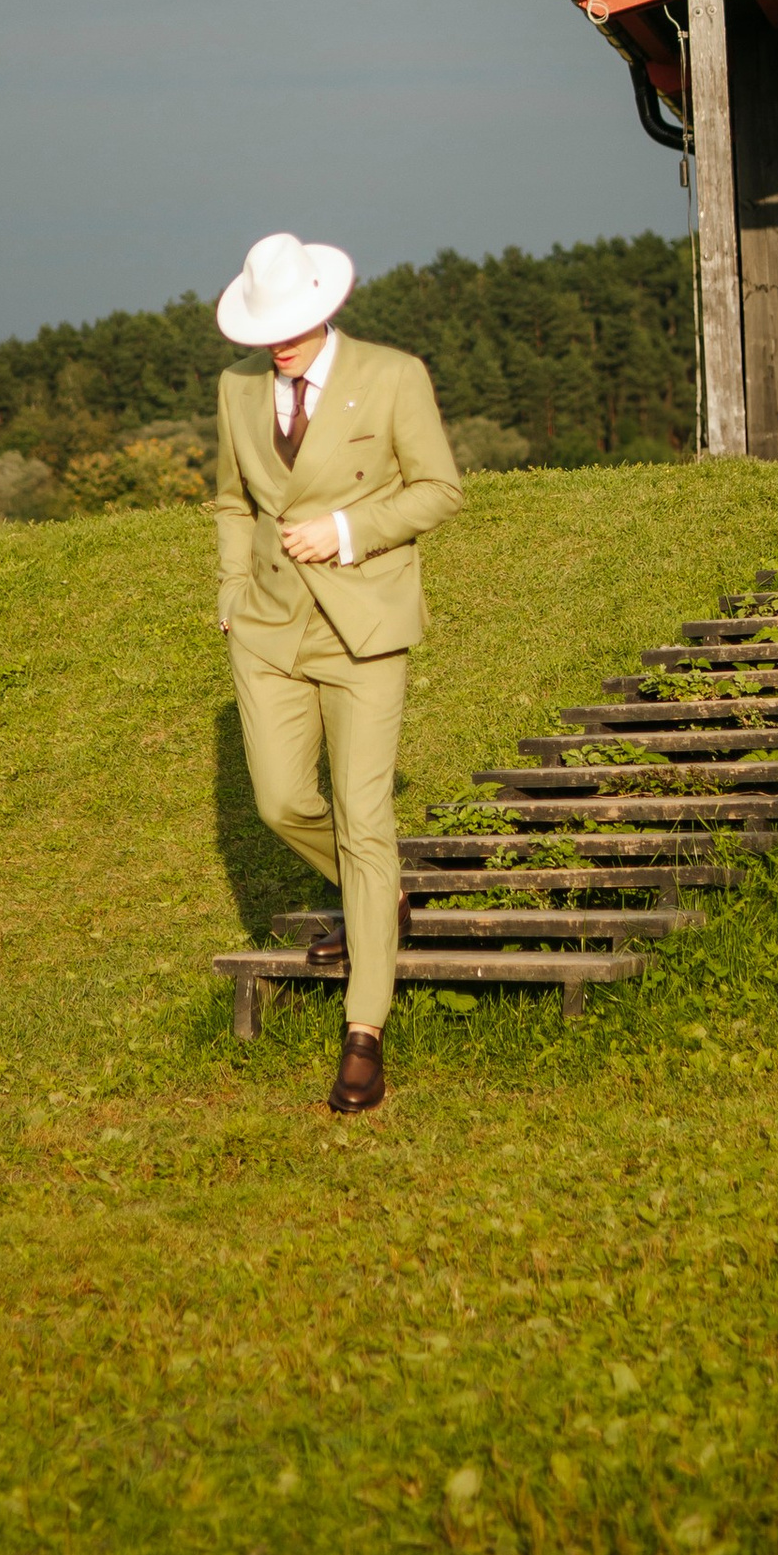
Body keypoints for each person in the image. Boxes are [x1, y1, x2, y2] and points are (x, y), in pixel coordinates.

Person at [212, 231, 462, 1116]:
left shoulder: (395, 376)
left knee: (364, 815)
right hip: (269, 631)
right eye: (263, 326)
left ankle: (365, 1031)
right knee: (282, 802)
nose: (276, 340)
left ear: (327, 308)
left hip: (364, 623)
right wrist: (232, 592)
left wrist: (346, 532)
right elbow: (234, 501)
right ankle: (377, 898)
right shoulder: (237, 391)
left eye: (292, 322)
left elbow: (438, 489)